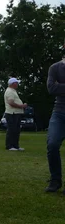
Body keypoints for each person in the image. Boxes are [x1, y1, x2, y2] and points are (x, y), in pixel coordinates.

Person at [45, 42, 65, 192]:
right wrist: (57, 86)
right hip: (59, 112)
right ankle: (55, 180)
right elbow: (51, 88)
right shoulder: (55, 67)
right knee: (52, 144)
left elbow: (57, 87)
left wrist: (61, 86)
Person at [3, 77, 27, 151]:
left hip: (16, 113)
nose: (18, 84)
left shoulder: (13, 91)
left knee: (16, 130)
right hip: (12, 113)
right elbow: (11, 103)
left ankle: (16, 146)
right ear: (13, 83)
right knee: (11, 130)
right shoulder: (10, 91)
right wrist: (21, 106)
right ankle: (9, 146)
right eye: (16, 83)